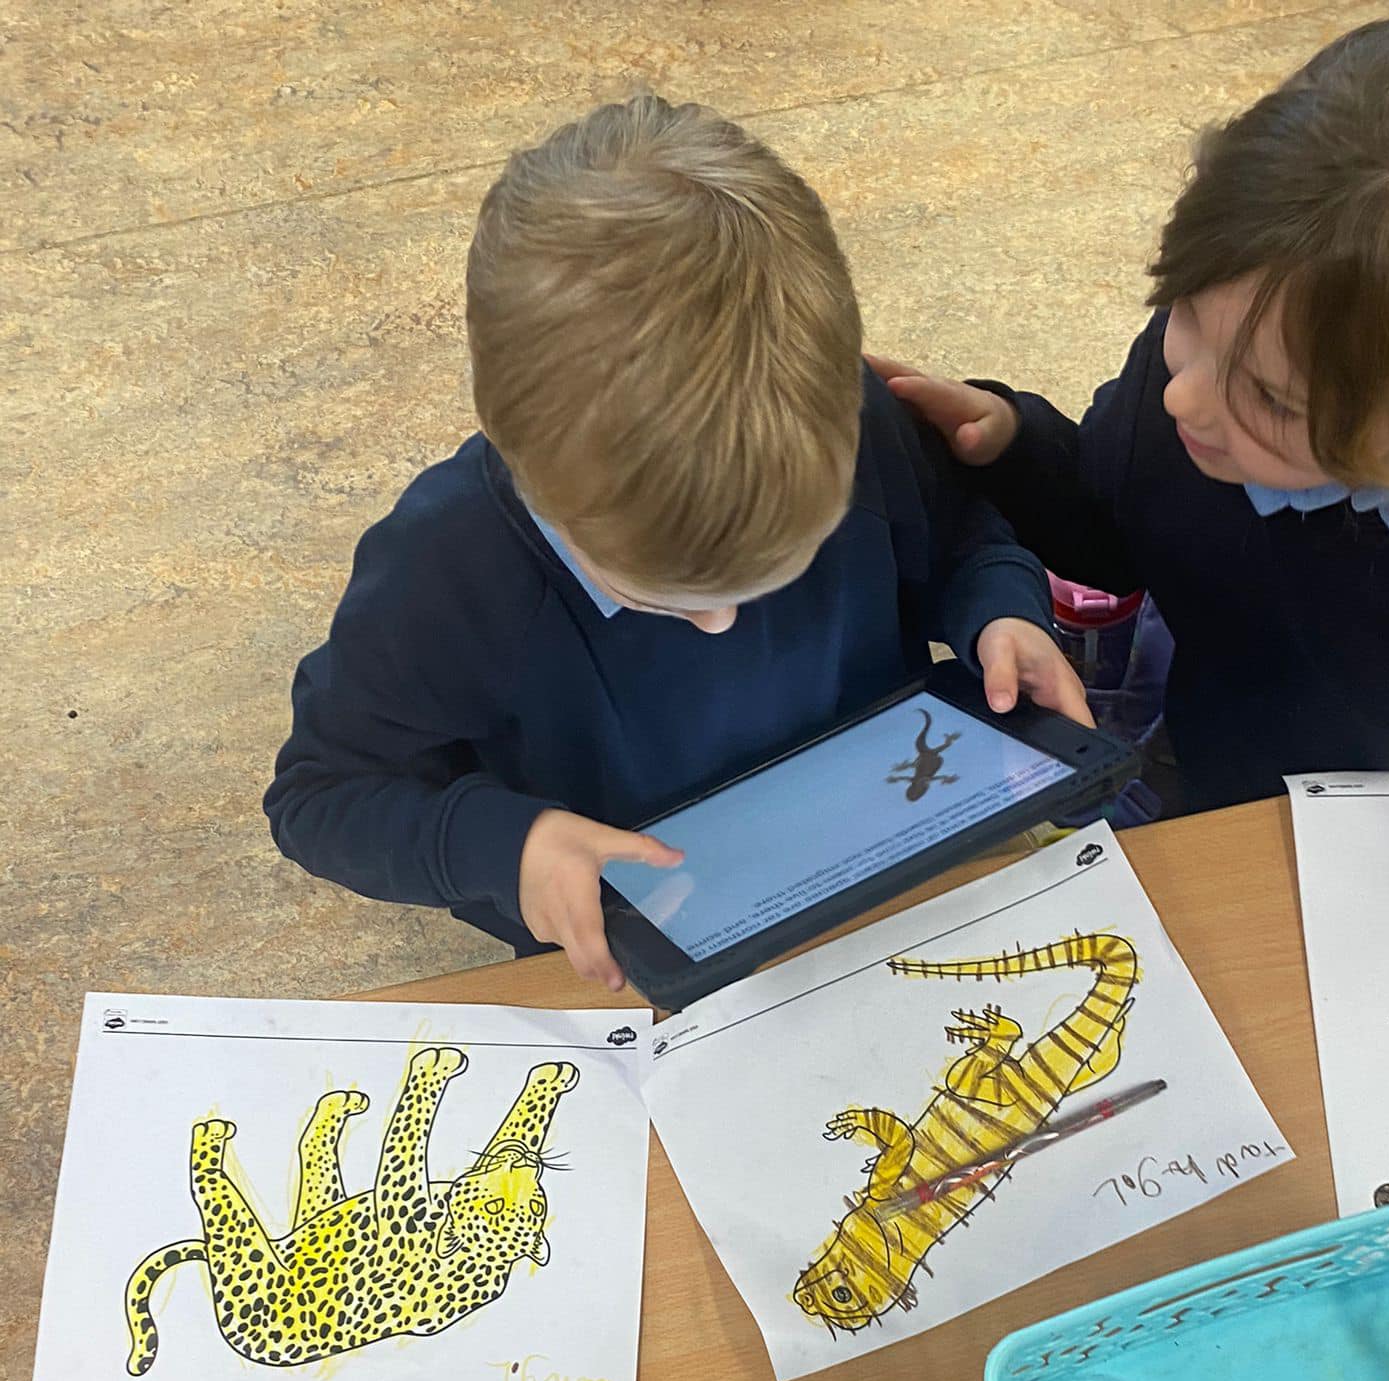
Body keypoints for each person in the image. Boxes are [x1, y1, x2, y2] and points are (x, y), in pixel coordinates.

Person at [265, 94, 1084, 989]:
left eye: (783, 566)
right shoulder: (445, 567)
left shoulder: (856, 420)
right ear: (525, 461)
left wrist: (1001, 613)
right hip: (646, 946)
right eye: (656, 594)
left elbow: (960, 538)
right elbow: (321, 795)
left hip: (875, 856)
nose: (722, 624)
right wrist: (507, 845)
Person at [872, 5, 1389, 811]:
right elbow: (1120, 528)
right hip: (1224, 775)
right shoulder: (1232, 349)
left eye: (1271, 398)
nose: (1180, 392)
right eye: (1183, 308)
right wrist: (1014, 446)